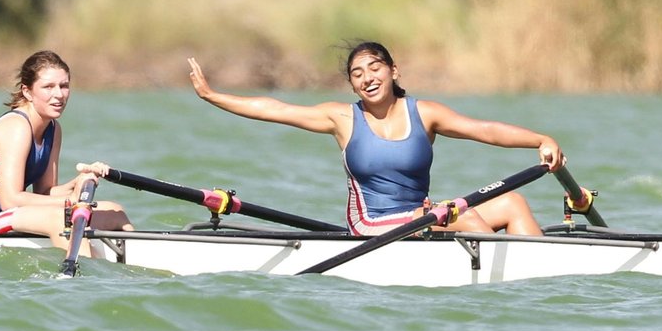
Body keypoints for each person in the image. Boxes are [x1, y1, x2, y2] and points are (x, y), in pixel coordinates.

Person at [186, 41, 564, 235]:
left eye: (375, 67)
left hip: (422, 217)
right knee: (463, 219)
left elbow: (485, 130)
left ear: (393, 71)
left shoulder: (425, 113)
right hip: (371, 226)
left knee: (513, 203)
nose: (367, 78)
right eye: (357, 73)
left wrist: (540, 139)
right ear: (351, 83)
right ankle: (505, 282)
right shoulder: (342, 118)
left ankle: (541, 288)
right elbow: (274, 109)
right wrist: (213, 95)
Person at [0, 50, 132, 244]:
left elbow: (45, 192)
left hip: (15, 217)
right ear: (27, 92)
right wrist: (71, 201)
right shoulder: (17, 126)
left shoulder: (53, 129)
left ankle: (134, 271)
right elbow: (11, 201)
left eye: (64, 86)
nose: (59, 95)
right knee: (62, 220)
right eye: (48, 87)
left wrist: (78, 183)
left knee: (115, 212)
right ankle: (81, 272)